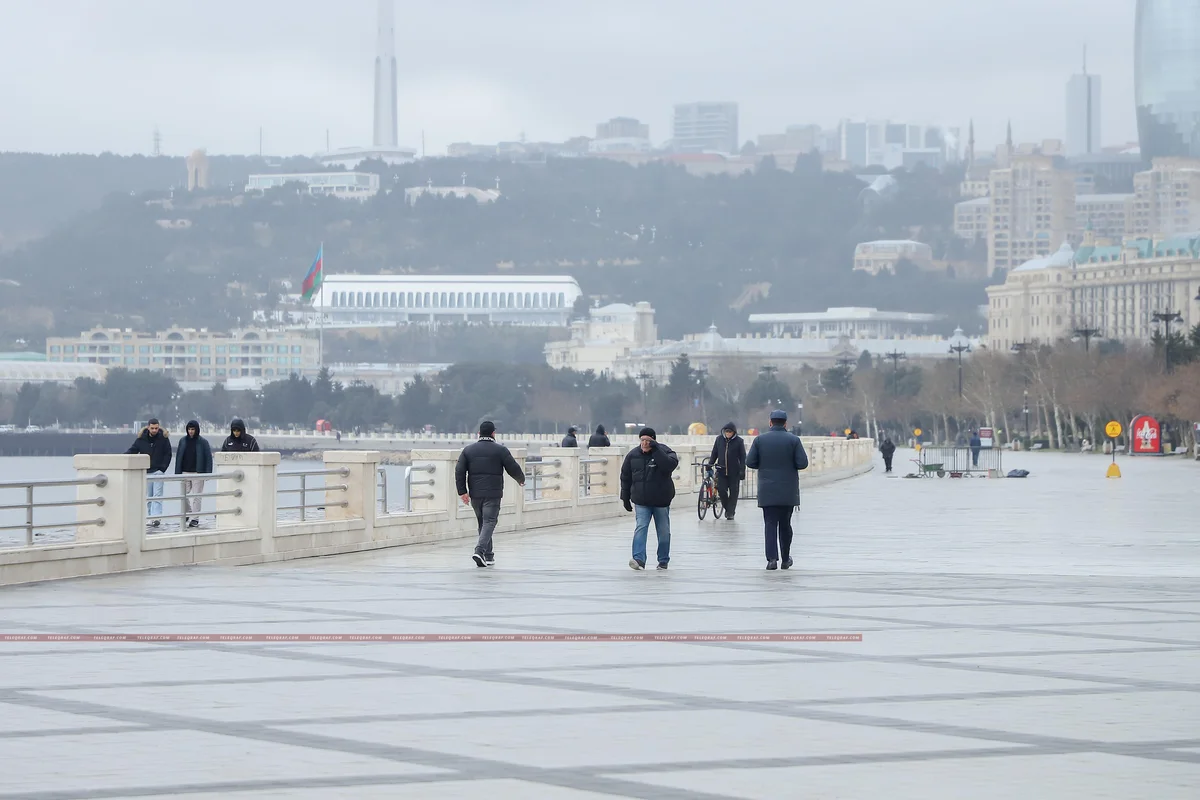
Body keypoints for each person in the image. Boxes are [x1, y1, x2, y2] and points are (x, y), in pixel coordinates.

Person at [455, 420, 526, 567]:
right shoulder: (500, 450)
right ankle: (479, 550)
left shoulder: (468, 450)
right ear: (493, 433)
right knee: (489, 522)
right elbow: (512, 467)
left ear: (479, 434)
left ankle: (488, 555)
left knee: (483, 522)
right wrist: (521, 479)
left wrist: (462, 492)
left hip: (475, 494)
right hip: (493, 493)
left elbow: (459, 471)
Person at [745, 409, 809, 570]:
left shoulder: (760, 440)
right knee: (785, 524)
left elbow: (750, 462)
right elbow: (802, 463)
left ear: (770, 422)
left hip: (767, 490)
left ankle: (772, 559)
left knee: (770, 524)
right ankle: (786, 559)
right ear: (786, 423)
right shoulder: (794, 440)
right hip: (788, 490)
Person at [620, 427, 679, 570]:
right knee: (641, 528)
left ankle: (663, 560)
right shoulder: (632, 455)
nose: (645, 443)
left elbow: (669, 466)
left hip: (661, 501)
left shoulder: (665, 452)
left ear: (654, 441)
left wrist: (657, 450)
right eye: (642, 440)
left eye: (648, 441)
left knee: (663, 531)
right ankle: (639, 559)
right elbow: (625, 477)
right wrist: (625, 498)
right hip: (641, 501)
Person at [126, 418, 172, 527]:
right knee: (149, 496)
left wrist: (162, 469)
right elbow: (133, 450)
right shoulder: (141, 439)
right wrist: (122, 457)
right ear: (148, 427)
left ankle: (156, 518)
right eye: (152, 428)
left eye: (156, 428)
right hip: (146, 472)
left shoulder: (164, 439)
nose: (154, 430)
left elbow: (168, 454)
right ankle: (151, 517)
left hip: (158, 471)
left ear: (159, 427)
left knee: (157, 495)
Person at [174, 420, 214, 528]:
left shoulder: (203, 442)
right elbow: (178, 456)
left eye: (193, 429)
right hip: (185, 472)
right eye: (189, 429)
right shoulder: (182, 441)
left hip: (198, 472)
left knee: (197, 496)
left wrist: (208, 473)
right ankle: (189, 512)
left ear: (196, 430)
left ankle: (195, 518)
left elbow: (208, 458)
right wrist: (177, 472)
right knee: (184, 495)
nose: (191, 431)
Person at [709, 422, 746, 520]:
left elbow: (743, 457)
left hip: (734, 472)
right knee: (722, 491)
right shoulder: (719, 440)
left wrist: (742, 470)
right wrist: (710, 464)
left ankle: (731, 512)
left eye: (730, 432)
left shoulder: (739, 441)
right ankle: (728, 509)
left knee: (734, 493)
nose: (728, 433)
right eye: (726, 431)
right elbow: (714, 453)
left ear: (734, 432)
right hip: (721, 470)